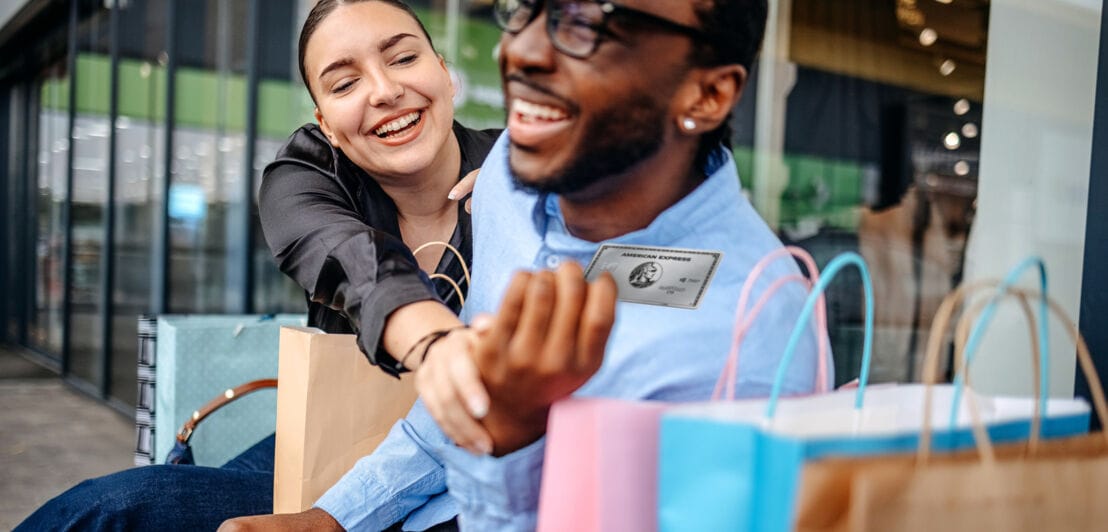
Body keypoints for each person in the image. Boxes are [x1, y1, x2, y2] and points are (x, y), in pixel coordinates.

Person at [225, 0, 820, 530]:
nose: (520, 49)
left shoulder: (755, 338)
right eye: (527, 8)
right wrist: (334, 517)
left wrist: (509, 440)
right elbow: (440, 421)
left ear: (707, 94)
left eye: (589, 22)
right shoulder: (510, 174)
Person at [15, 1, 499, 530]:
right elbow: (354, 260)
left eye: (404, 58)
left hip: (484, 458)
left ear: (446, 74)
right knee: (117, 508)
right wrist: (434, 345)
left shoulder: (525, 174)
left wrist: (531, 193)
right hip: (338, 438)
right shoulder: (306, 174)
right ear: (326, 125)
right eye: (343, 85)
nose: (383, 90)